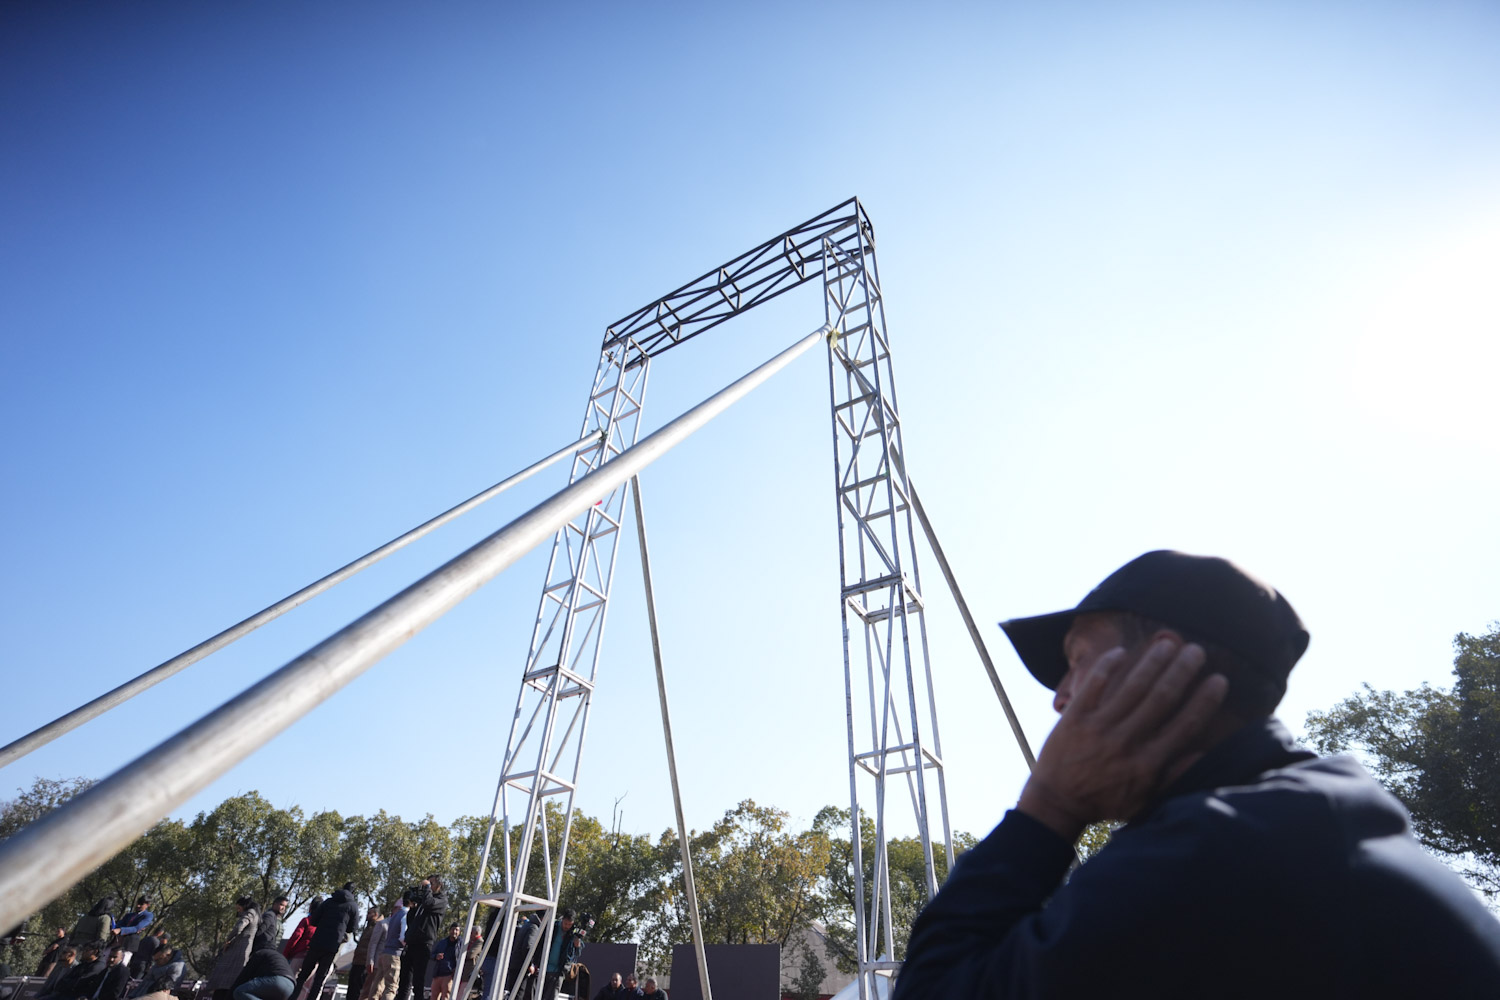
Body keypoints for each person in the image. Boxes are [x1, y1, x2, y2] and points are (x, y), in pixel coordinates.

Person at [894, 550, 1500, 999]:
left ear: (1164, 662)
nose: (1061, 698)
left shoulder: (1219, 848)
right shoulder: (1302, 813)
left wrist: (1049, 804)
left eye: (1078, 660)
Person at [292, 883, 361, 1000]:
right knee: (319, 979)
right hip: (332, 946)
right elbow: (352, 928)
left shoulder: (329, 901)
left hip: (317, 942)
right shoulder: (353, 906)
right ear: (353, 892)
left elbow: (313, 920)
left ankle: (292, 997)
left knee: (303, 976)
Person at [397, 877, 447, 1000]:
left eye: (431, 883)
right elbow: (410, 920)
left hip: (423, 943)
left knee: (418, 981)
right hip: (411, 942)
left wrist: (426, 888)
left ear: (439, 885)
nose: (428, 886)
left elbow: (429, 903)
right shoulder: (423, 901)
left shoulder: (441, 900)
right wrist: (414, 905)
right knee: (404, 980)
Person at [205, 897, 260, 1000]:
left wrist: (228, 940)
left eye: (239, 908)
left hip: (238, 950)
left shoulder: (250, 913)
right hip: (243, 950)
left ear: (244, 906)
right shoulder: (256, 914)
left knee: (224, 979)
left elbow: (239, 927)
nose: (238, 911)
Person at [541, 909, 584, 1000]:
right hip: (543, 967)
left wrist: (578, 945)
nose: (567, 926)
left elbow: (578, 953)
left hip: (559, 971)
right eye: (565, 923)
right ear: (562, 919)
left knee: (552, 996)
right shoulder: (554, 926)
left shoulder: (574, 932)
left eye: (569, 924)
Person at [370, 895, 408, 1000]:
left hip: (385, 953)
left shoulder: (392, 918)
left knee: (377, 985)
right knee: (391, 987)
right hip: (395, 954)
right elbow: (402, 937)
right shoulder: (405, 915)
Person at [38, 941, 104, 1000]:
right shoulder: (82, 965)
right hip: (63, 994)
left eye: (86, 950)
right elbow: (64, 980)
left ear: (95, 952)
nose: (83, 952)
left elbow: (79, 982)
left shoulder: (97, 967)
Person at [347, 906, 384, 1000]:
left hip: (365, 963)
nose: (367, 915)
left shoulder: (378, 927)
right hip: (357, 961)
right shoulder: (369, 927)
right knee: (352, 989)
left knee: (358, 990)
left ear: (376, 915)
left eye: (369, 913)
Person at [232, 948, 296, 1000]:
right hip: (290, 987)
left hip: (276, 981)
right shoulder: (276, 956)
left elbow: (243, 977)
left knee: (240, 992)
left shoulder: (259, 953)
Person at [280, 897, 319, 975]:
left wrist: (285, 954)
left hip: (299, 955)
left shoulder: (307, 920)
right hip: (315, 959)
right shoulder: (324, 925)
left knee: (289, 978)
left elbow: (296, 936)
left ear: (311, 907)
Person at [504, 913, 540, 996]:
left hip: (515, 963)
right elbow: (527, 946)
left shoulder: (526, 925)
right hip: (521, 966)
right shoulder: (534, 928)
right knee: (519, 993)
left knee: (513, 992)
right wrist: (529, 964)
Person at [111, 897, 154, 965]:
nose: (138, 906)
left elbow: (137, 928)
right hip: (118, 941)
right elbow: (119, 925)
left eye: (141, 904)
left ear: (147, 905)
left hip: (129, 944)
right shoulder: (129, 915)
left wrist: (121, 930)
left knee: (121, 964)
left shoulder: (148, 915)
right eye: (138, 903)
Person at [427, 924, 461, 1000]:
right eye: (453, 929)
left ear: (459, 932)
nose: (454, 931)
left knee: (445, 997)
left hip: (449, 975)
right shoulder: (442, 942)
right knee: (433, 996)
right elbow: (432, 954)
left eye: (456, 930)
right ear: (449, 930)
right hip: (437, 974)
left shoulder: (460, 944)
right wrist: (436, 956)